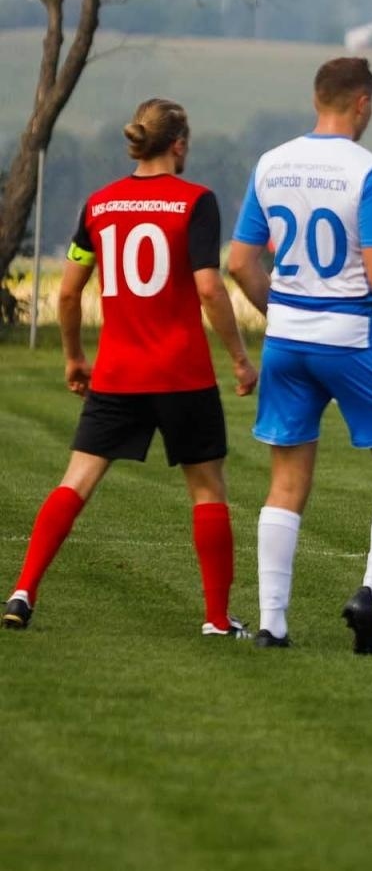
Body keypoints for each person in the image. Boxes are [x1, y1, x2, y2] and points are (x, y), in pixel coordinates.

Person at [3, 99, 257, 635]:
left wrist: (75, 357)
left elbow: (69, 292)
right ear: (179, 144)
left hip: (118, 373)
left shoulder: (99, 206)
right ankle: (215, 619)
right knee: (208, 489)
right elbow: (209, 287)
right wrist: (239, 358)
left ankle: (23, 590)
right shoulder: (196, 202)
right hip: (182, 373)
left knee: (76, 480)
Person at [227, 57, 372, 654]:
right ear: (362, 102)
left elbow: (239, 261)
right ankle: (369, 594)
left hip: (287, 339)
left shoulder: (271, 162)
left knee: (286, 482)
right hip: (350, 338)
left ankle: (272, 623)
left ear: (319, 98)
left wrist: (284, 314)